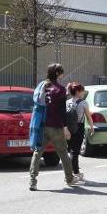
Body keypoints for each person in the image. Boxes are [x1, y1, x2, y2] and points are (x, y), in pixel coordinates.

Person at [29, 63, 75, 191]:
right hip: (55, 126)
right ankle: (69, 178)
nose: (63, 74)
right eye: (61, 72)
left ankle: (33, 181)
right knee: (63, 153)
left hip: (41, 124)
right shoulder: (60, 89)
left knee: (38, 152)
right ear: (57, 73)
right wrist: (65, 128)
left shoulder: (41, 86)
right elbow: (62, 111)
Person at [65, 82, 88, 184]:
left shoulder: (67, 102)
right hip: (79, 127)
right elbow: (88, 116)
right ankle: (73, 174)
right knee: (75, 152)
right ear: (78, 92)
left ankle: (72, 173)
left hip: (68, 128)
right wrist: (91, 126)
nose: (83, 93)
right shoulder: (83, 103)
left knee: (70, 150)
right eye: (82, 91)